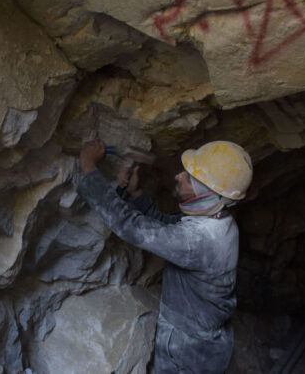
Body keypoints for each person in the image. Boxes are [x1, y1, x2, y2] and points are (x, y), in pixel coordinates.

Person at [78, 139, 253, 374]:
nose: (179, 176)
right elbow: (168, 227)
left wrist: (88, 167)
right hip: (211, 341)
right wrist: (136, 193)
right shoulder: (220, 223)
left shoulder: (199, 240)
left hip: (186, 352)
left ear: (206, 193)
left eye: (190, 177)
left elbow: (129, 226)